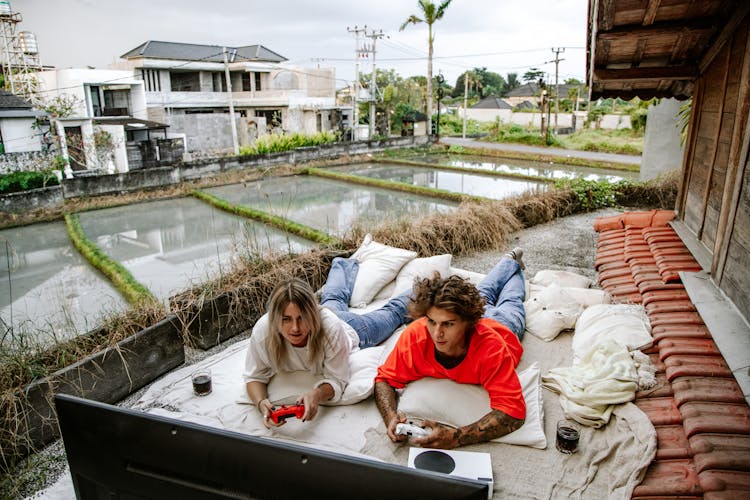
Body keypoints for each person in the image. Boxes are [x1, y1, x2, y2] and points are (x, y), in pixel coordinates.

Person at [374, 248, 527, 449]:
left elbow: (514, 413)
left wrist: (456, 437)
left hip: (505, 326)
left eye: (448, 324)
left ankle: (513, 265)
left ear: (468, 323)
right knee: (484, 294)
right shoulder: (416, 336)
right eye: (431, 321)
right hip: (471, 314)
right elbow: (384, 380)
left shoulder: (491, 348)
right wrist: (391, 417)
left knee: (511, 300)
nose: (437, 333)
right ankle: (508, 261)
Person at [244, 257, 411, 428]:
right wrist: (261, 403)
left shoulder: (329, 327)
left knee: (393, 313)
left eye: (302, 318)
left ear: (313, 313)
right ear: (274, 318)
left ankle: (426, 286)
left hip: (353, 328)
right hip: (329, 317)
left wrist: (317, 394)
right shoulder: (263, 331)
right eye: (286, 319)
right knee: (333, 299)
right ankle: (341, 263)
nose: (295, 328)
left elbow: (338, 380)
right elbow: (254, 376)